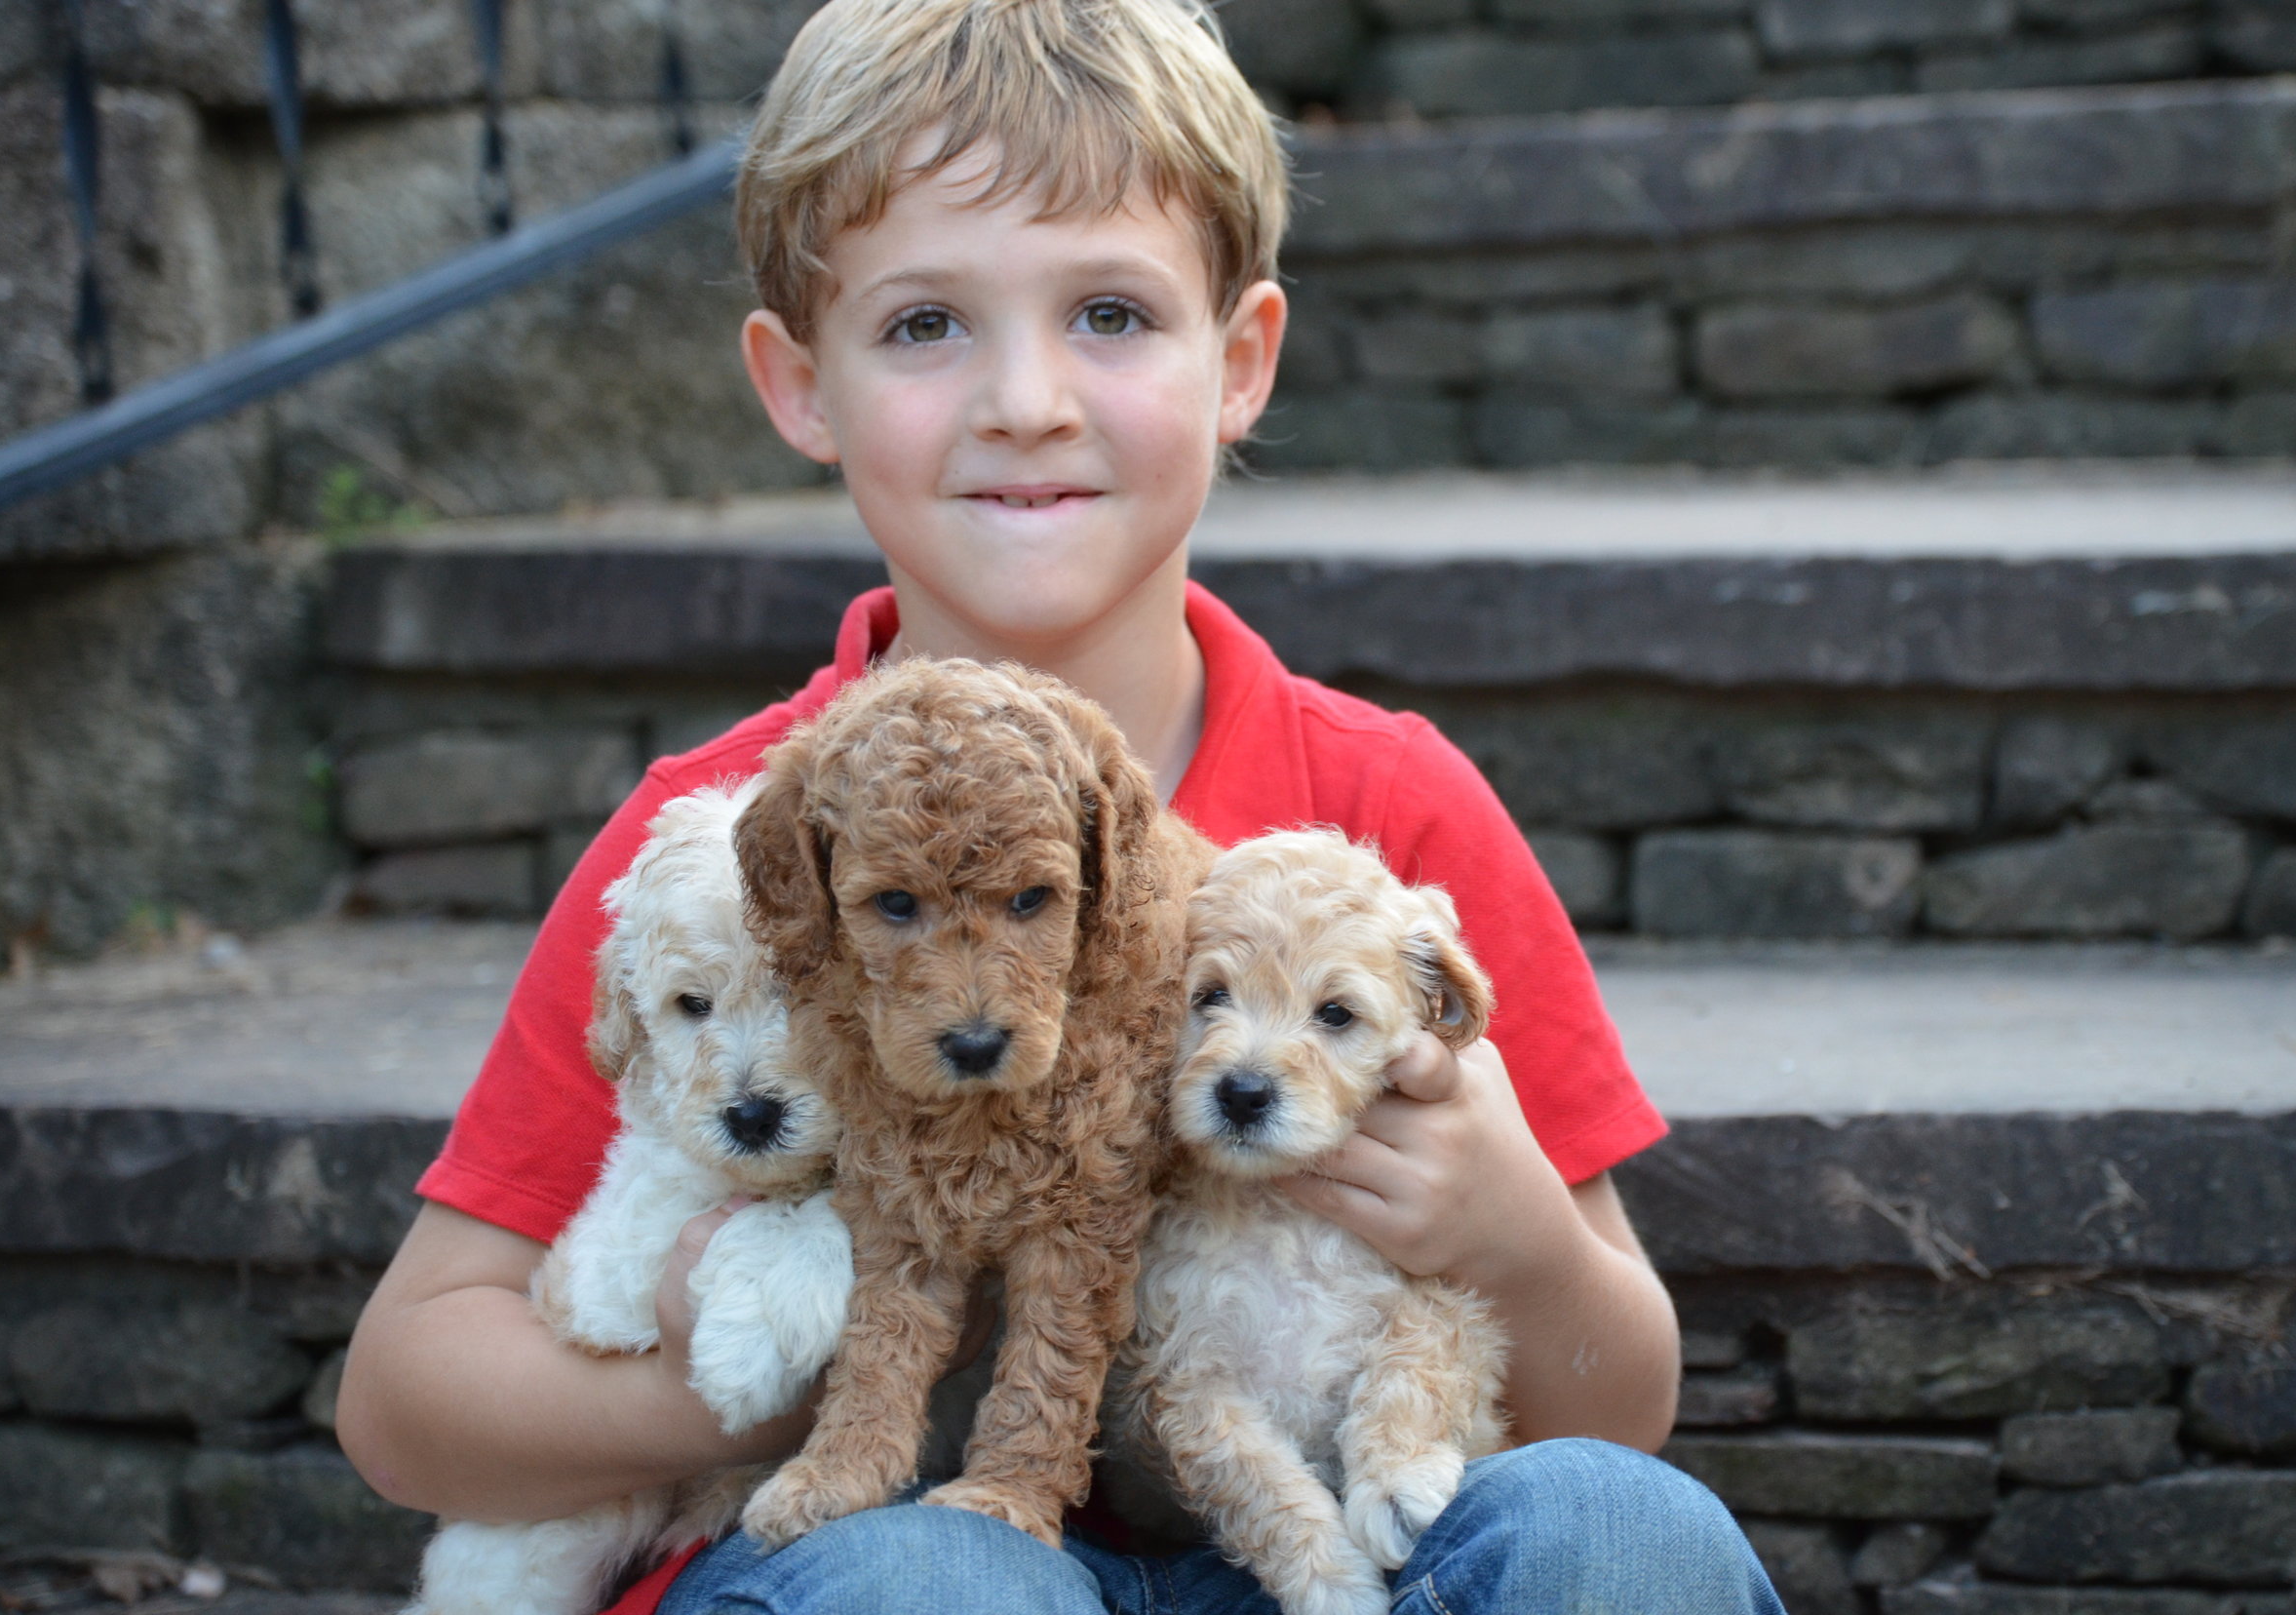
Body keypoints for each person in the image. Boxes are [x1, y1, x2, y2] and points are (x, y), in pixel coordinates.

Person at [337, 1, 1783, 1610]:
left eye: (1107, 311)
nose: (1025, 397)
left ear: (1240, 363)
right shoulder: (729, 837)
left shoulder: (1379, 810)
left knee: (1616, 1532)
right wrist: (767, 1365)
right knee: (931, 1584)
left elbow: (1623, 1406)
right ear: (798, 383)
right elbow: (403, 1402)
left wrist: (1514, 1241)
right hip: (886, 1547)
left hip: (1314, 1546)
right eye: (923, 326)